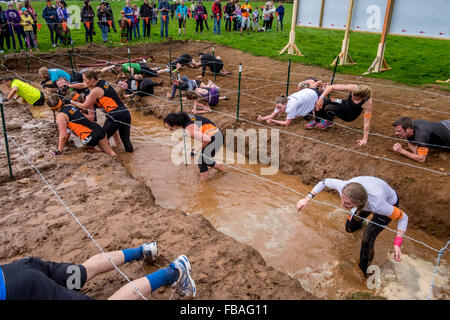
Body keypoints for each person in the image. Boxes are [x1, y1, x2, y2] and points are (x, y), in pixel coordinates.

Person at [0, 242, 197, 300]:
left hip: (26, 290)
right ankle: (143, 250)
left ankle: (173, 273)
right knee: (80, 273)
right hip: (20, 270)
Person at [296, 176, 408, 277]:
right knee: (349, 228)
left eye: (347, 204)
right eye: (342, 199)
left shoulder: (378, 205)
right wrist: (307, 199)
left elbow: (404, 218)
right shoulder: (343, 186)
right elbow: (324, 182)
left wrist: (397, 243)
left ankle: (364, 271)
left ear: (360, 203)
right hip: (365, 195)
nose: (342, 205)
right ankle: (363, 224)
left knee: (367, 237)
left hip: (388, 202)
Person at [69, 69, 134, 153]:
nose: (84, 82)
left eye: (85, 79)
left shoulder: (95, 91)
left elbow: (84, 105)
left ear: (92, 79)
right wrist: (69, 85)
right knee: (126, 140)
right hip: (125, 112)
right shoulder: (102, 81)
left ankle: (111, 157)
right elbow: (82, 85)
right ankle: (129, 158)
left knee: (102, 137)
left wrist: (70, 102)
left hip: (115, 115)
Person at [46, 93, 117, 158]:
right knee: (109, 152)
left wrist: (59, 150)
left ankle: (102, 157)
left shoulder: (60, 116)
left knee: (88, 148)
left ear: (51, 108)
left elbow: (63, 135)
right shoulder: (70, 107)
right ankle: (116, 161)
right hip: (98, 128)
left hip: (89, 136)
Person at [164, 111, 225, 181]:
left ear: (175, 125)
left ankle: (204, 186)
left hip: (216, 138)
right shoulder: (187, 118)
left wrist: (195, 150)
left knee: (201, 161)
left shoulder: (189, 130)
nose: (171, 131)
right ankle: (223, 171)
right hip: (215, 134)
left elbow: (207, 139)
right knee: (206, 159)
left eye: (171, 129)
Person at [306, 84, 373, 147]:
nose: (352, 98)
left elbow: (367, 121)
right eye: (352, 96)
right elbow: (331, 87)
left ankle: (329, 121)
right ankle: (316, 120)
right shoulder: (353, 87)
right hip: (343, 103)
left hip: (349, 115)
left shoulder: (367, 103)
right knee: (325, 101)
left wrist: (365, 139)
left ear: (363, 97)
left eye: (356, 99)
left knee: (330, 108)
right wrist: (321, 98)